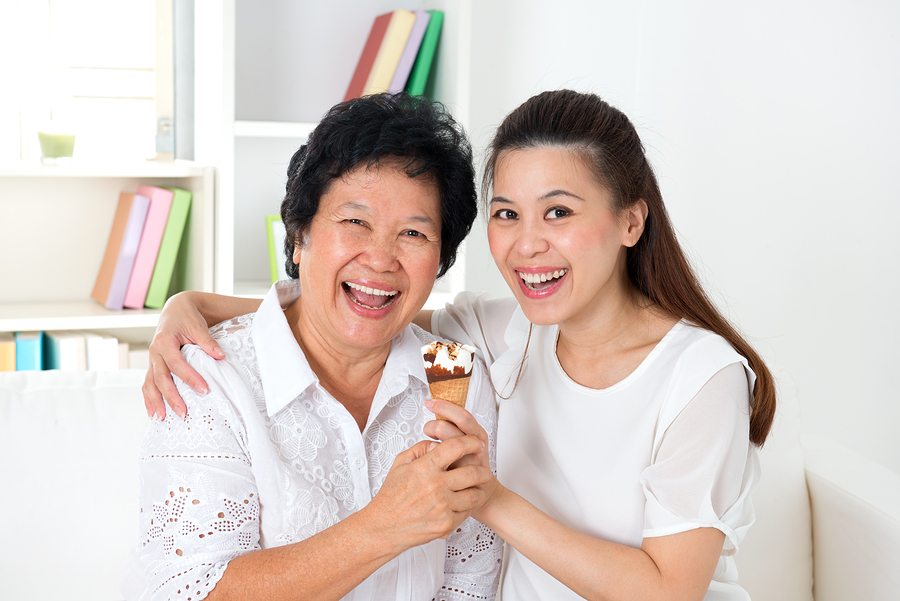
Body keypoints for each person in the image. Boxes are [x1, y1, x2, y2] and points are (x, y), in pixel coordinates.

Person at [144, 90, 776, 600]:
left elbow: (669, 593)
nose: (528, 244)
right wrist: (189, 306)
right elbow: (366, 308)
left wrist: (489, 498)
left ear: (631, 221)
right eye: (507, 214)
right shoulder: (499, 333)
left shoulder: (700, 376)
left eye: (559, 213)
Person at [123, 93, 503, 601]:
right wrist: (384, 526)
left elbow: (469, 580)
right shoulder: (208, 378)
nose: (381, 258)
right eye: (355, 222)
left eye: (413, 233)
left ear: (439, 261)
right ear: (299, 236)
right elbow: (189, 590)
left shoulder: (456, 374)